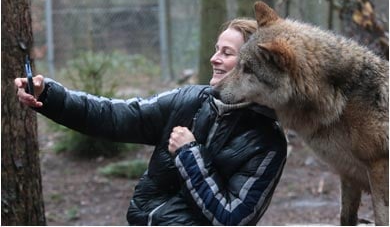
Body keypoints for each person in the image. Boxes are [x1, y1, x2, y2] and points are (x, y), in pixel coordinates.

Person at [15, 18, 287, 225]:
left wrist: (189, 155)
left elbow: (232, 218)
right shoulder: (189, 99)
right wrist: (49, 95)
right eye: (217, 49)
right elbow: (114, 115)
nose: (214, 59)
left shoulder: (268, 142)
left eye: (227, 53)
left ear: (252, 66)